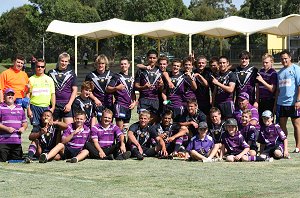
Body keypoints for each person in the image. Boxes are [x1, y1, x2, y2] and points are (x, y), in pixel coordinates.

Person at [276, 49, 300, 153]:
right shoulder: (279, 72)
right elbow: (278, 90)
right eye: (282, 59)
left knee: (296, 125)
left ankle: (298, 146)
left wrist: (298, 100)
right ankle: (284, 146)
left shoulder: (296, 69)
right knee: (282, 126)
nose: (284, 60)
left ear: (290, 58)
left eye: (285, 58)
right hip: (281, 103)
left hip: (293, 103)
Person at [106, 57, 136, 132]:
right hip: (120, 105)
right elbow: (108, 88)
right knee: (119, 129)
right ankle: (119, 143)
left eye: (125, 64)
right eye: (121, 64)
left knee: (125, 129)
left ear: (129, 65)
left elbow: (132, 92)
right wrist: (116, 88)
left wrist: (134, 102)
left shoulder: (131, 78)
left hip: (128, 106)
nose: (123, 65)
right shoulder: (117, 77)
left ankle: (123, 143)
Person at [134, 50, 164, 123]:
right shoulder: (141, 70)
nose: (152, 60)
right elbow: (136, 86)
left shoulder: (160, 70)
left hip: (155, 100)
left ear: (157, 59)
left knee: (153, 123)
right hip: (144, 99)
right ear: (147, 58)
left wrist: (161, 85)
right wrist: (144, 87)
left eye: (154, 58)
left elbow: (163, 89)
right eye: (150, 58)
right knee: (143, 122)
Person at [48, 52, 78, 124]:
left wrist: (69, 104)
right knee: (54, 130)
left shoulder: (72, 73)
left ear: (68, 62)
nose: (64, 63)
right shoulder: (51, 73)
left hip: (66, 104)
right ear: (58, 61)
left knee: (69, 129)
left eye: (66, 61)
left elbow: (75, 90)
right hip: (54, 104)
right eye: (62, 61)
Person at [0, 89, 28, 162]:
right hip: (3, 142)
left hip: (16, 142)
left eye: (12, 95)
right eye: (8, 94)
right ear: (4, 96)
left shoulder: (20, 108)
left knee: (17, 161)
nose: (10, 96)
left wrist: (23, 128)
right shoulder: (0, 107)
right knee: (2, 160)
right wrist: (6, 128)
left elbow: (24, 122)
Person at [27, 58, 56, 128]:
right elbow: (27, 95)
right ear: (35, 67)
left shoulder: (49, 79)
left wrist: (53, 107)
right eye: (38, 66)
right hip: (34, 107)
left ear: (44, 68)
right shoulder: (30, 79)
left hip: (46, 107)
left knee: (47, 128)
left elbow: (53, 94)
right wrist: (28, 109)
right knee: (36, 129)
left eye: (42, 67)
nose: (40, 68)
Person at [85, 54, 114, 122]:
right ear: (96, 64)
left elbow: (115, 90)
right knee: (99, 124)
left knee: (108, 124)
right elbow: (87, 90)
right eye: (99, 63)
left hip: (109, 103)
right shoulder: (90, 76)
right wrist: (95, 99)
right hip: (97, 104)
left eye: (102, 63)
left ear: (105, 64)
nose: (100, 65)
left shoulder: (112, 74)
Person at [255, 53, 277, 120]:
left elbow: (272, 89)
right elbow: (258, 88)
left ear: (271, 62)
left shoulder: (273, 73)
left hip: (269, 101)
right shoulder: (261, 71)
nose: (264, 64)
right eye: (263, 62)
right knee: (260, 120)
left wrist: (262, 80)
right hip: (261, 100)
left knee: (268, 121)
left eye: (266, 62)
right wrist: (257, 101)